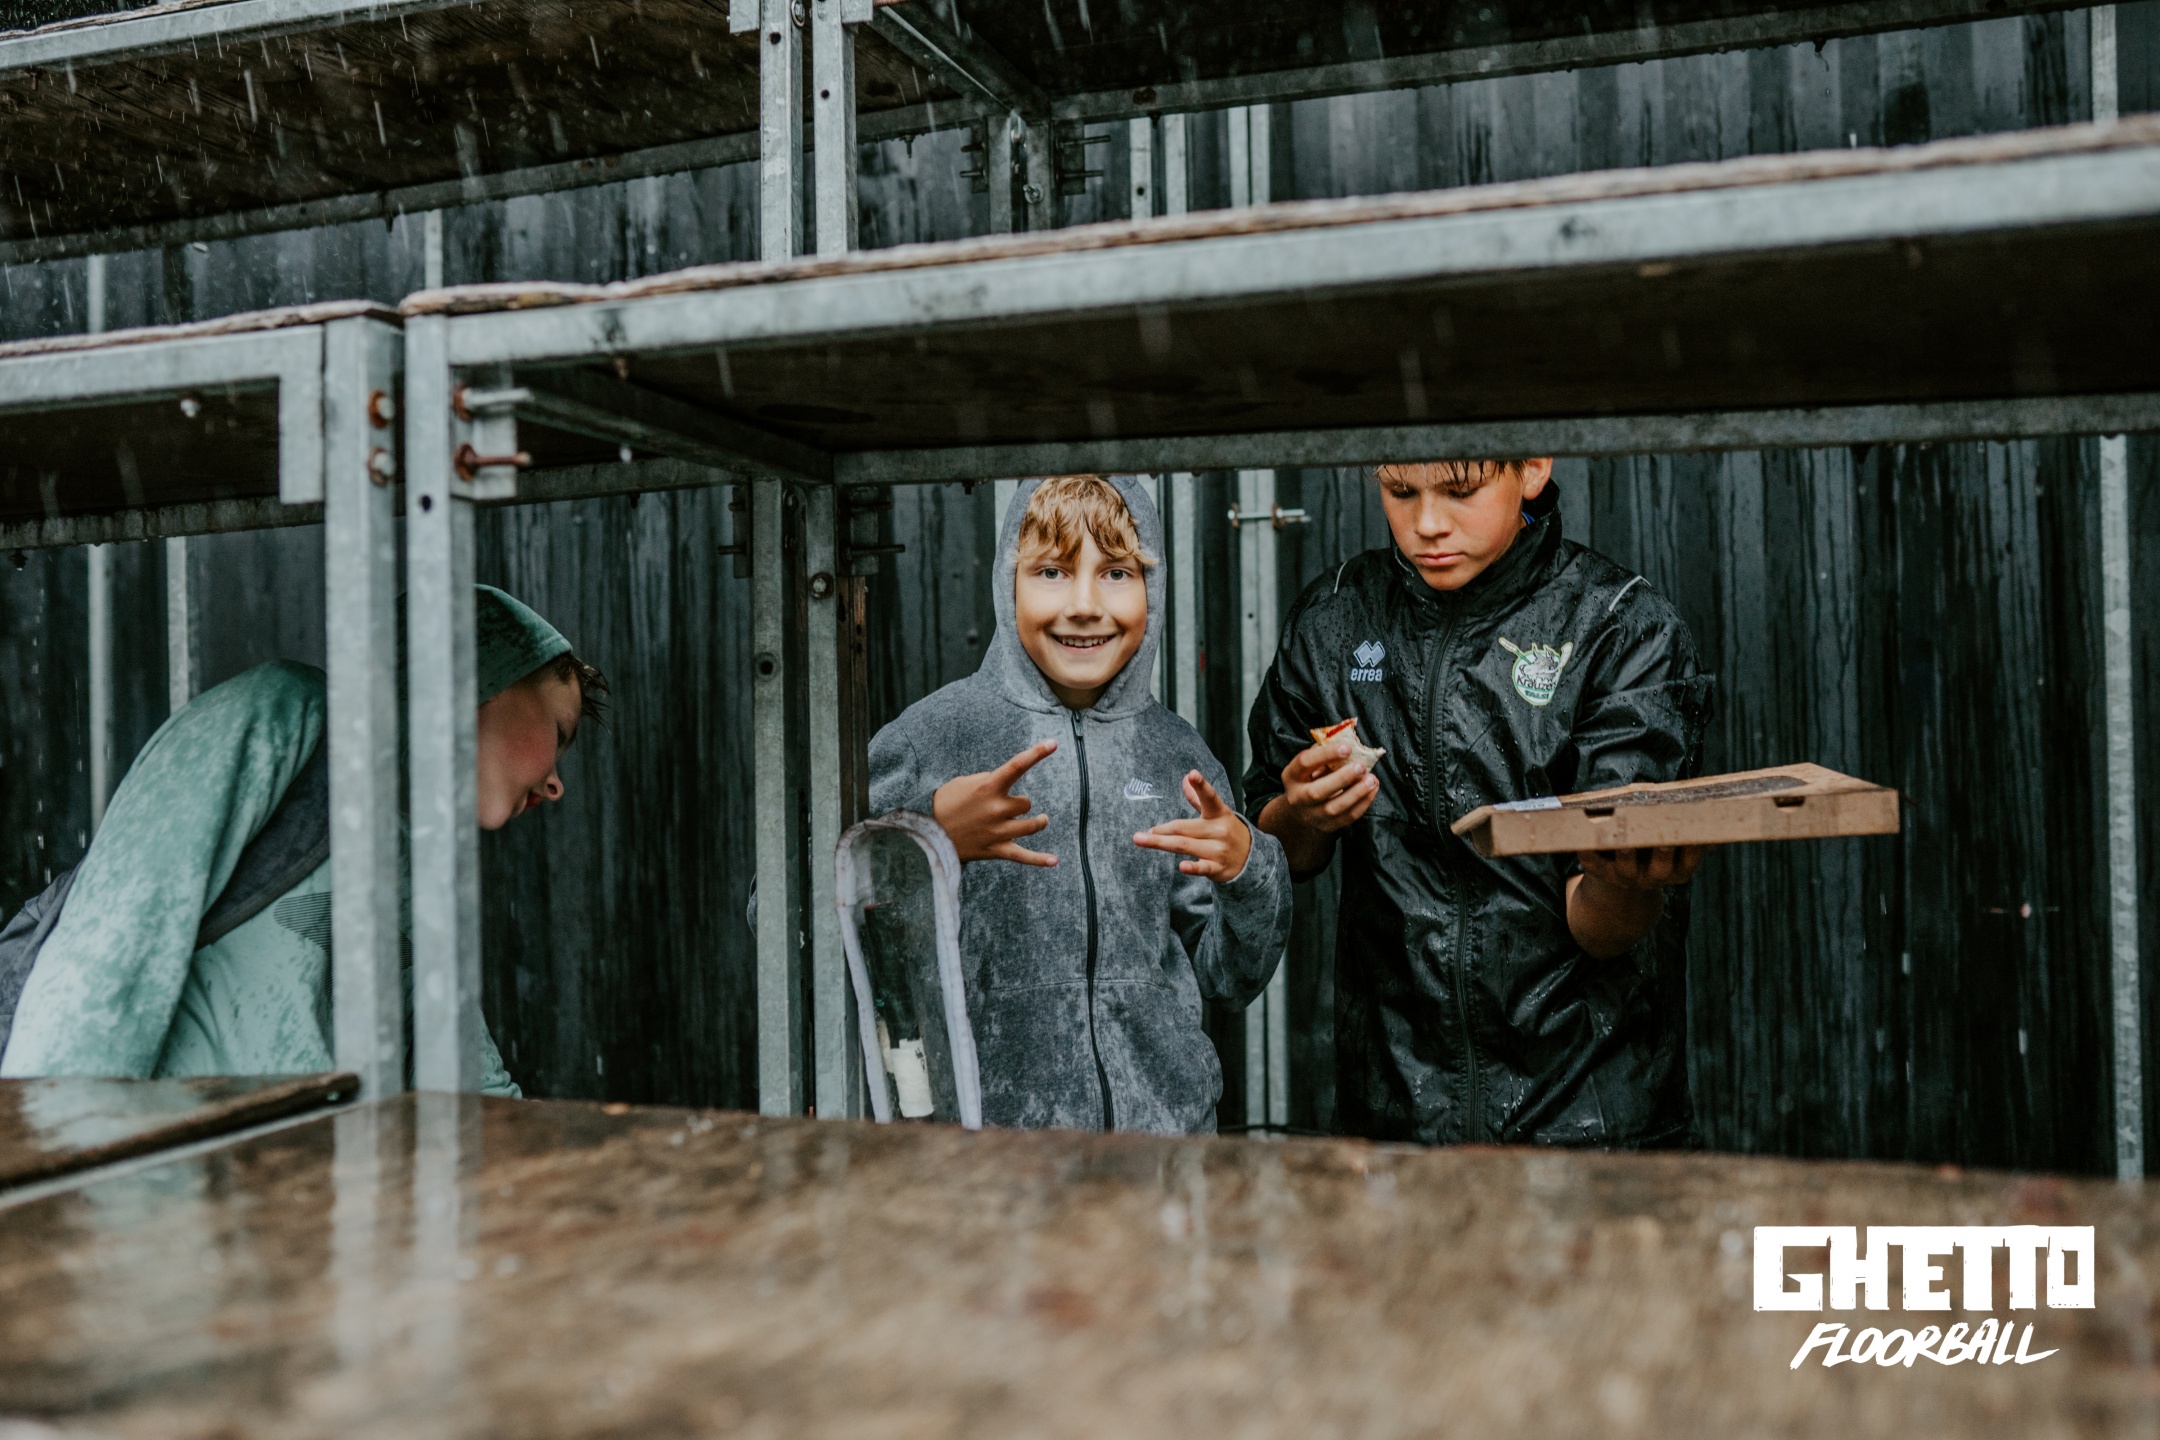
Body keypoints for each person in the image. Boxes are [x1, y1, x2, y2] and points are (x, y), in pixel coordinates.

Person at [1245, 459, 1713, 1147]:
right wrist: (1302, 811)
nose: (1427, 524)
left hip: (1586, 1125)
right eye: (1400, 492)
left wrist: (1625, 880)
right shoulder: (1336, 616)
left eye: (1460, 492)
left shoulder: (1620, 627)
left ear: (1532, 468)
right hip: (1391, 1119)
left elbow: (1604, 931)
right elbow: (1279, 846)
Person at [0, 585, 605, 1097]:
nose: (556, 785)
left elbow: (468, 1084)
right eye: (559, 731)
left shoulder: (426, 869)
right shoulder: (290, 716)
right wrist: (57, 1164)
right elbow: (108, 958)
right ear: (480, 680)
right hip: (147, 1166)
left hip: (281, 1186)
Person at [870, 474, 1294, 1134]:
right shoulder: (932, 739)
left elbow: (1227, 977)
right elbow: (783, 914)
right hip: (985, 1158)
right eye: (1052, 572)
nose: (1085, 605)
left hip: (1164, 1154)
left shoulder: (1177, 755)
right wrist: (927, 838)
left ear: (1153, 588)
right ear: (1007, 582)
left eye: (1117, 573)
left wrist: (1248, 870)